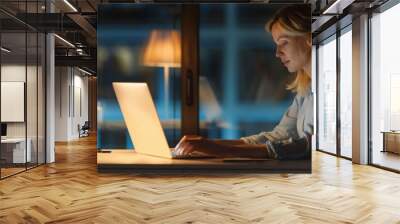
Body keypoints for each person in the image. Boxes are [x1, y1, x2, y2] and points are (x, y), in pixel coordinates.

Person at [174, 5, 313, 159]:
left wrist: (222, 150)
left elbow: (308, 147)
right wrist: (209, 145)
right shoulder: (306, 91)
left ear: (309, 38)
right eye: (276, 44)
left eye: (284, 42)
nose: (277, 53)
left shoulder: (329, 89)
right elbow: (279, 135)